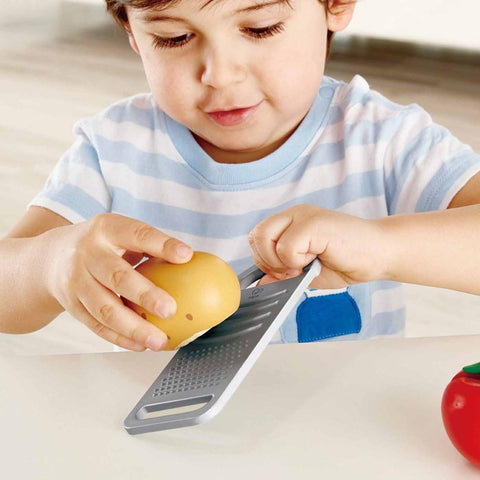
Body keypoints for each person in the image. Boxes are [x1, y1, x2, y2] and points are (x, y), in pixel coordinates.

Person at [1, 0, 479, 352]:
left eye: (259, 27)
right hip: (169, 438)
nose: (220, 75)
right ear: (131, 31)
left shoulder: (382, 137)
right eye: (173, 37)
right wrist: (50, 264)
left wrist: (385, 247)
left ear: (335, 5)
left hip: (339, 423)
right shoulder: (113, 148)